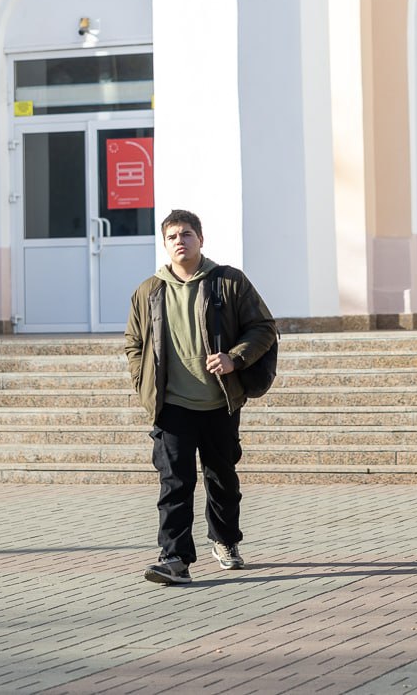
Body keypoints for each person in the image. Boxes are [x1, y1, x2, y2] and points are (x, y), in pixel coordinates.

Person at [124, 209, 277, 585]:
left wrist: (234, 359)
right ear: (164, 244)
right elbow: (134, 343)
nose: (180, 241)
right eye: (173, 236)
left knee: (221, 478)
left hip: (219, 401)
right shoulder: (149, 291)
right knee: (174, 483)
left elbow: (263, 327)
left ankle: (225, 540)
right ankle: (175, 558)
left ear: (201, 239)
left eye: (187, 234)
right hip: (171, 405)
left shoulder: (229, 282)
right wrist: (144, 384)